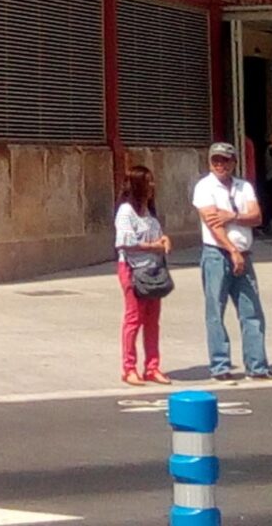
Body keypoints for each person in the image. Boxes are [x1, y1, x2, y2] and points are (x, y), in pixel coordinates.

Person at [192, 140, 271, 382]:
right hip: (217, 254)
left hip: (244, 254)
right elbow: (213, 224)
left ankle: (257, 366)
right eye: (215, 160)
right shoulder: (204, 187)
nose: (219, 165)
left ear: (234, 163)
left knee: (251, 311)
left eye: (224, 161)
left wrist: (233, 216)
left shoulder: (243, 186)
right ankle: (220, 366)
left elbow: (256, 216)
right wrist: (232, 250)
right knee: (215, 310)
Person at [113, 164, 172, 386]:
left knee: (152, 321)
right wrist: (153, 246)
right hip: (132, 269)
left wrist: (163, 240)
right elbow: (125, 243)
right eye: (148, 182)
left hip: (153, 269)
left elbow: (156, 234)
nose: (152, 186)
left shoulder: (149, 212)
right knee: (133, 318)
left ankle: (152, 366)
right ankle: (129, 368)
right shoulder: (126, 211)